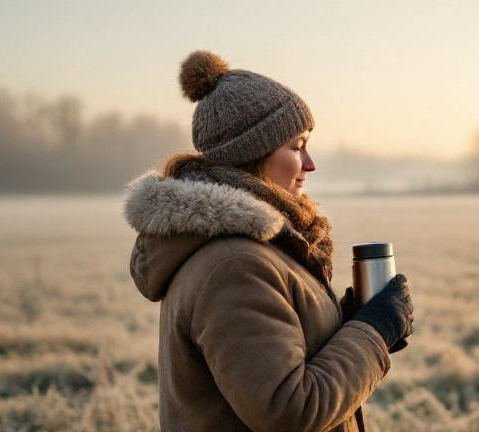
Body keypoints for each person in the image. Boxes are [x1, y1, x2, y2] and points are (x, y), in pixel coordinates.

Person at [123, 50, 414, 432]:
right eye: (296, 146)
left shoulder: (251, 249)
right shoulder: (234, 266)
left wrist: (350, 321)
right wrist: (374, 332)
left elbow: (279, 360)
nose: (310, 164)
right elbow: (289, 410)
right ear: (252, 155)